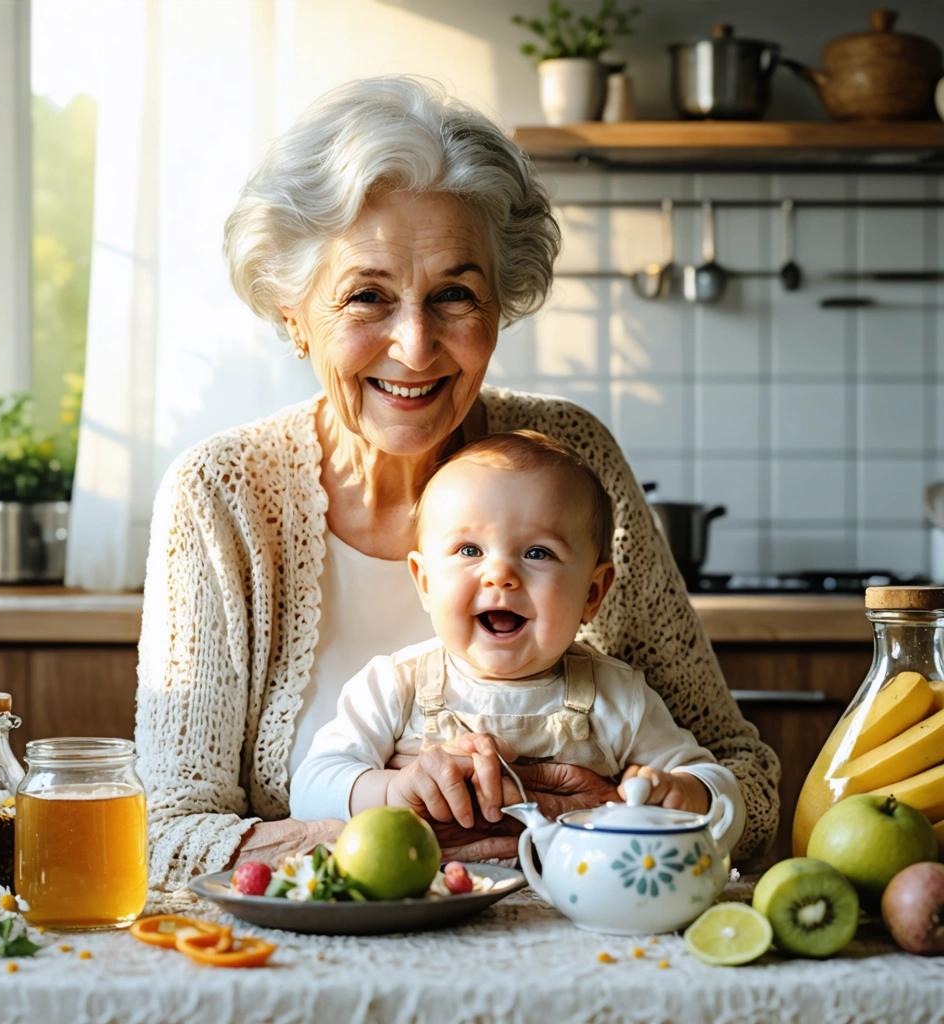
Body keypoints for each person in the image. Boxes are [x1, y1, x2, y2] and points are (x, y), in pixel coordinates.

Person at [134, 76, 778, 892]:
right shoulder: (220, 497)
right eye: (367, 295)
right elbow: (164, 833)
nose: (415, 344)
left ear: (500, 307)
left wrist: (630, 816)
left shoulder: (570, 456)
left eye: (454, 295)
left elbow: (740, 776)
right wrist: (389, 839)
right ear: (294, 314)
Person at [290, 431, 745, 848]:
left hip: (567, 921)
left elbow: (720, 788)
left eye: (537, 553)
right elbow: (310, 791)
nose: (501, 575)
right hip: (432, 912)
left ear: (592, 593)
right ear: (425, 583)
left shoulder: (618, 697)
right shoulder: (393, 687)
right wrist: (393, 789)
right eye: (469, 550)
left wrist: (686, 793)